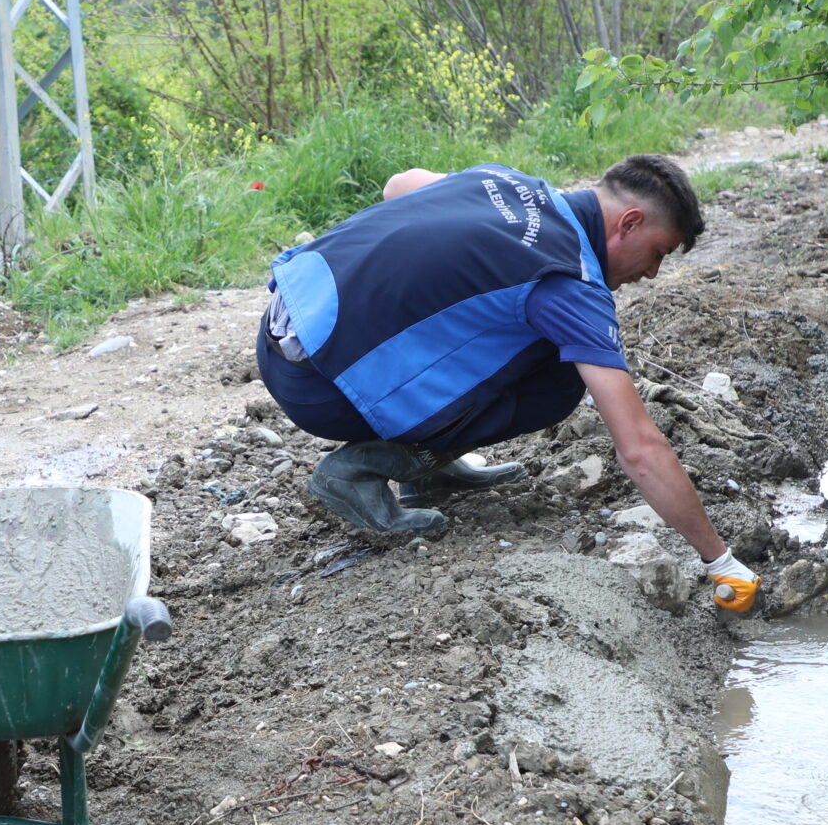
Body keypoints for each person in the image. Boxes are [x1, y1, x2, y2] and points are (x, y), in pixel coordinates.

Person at [257, 155, 760, 612]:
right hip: (318, 387)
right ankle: (365, 469)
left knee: (500, 317)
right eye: (659, 252)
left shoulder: (509, 183)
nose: (651, 273)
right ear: (629, 223)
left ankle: (430, 468)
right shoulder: (569, 283)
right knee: (558, 376)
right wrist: (719, 560)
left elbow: (398, 186)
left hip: (283, 324)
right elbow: (639, 449)